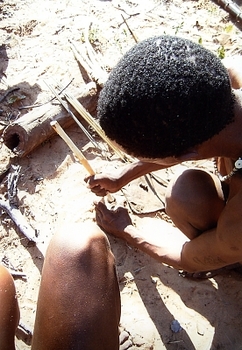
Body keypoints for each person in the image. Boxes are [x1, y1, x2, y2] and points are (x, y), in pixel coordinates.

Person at [87, 35, 242, 275]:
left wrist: (126, 230)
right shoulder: (233, 76)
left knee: (183, 199)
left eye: (150, 157)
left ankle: (233, 261)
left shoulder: (237, 227)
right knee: (189, 193)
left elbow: (189, 259)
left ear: (189, 154)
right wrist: (121, 177)